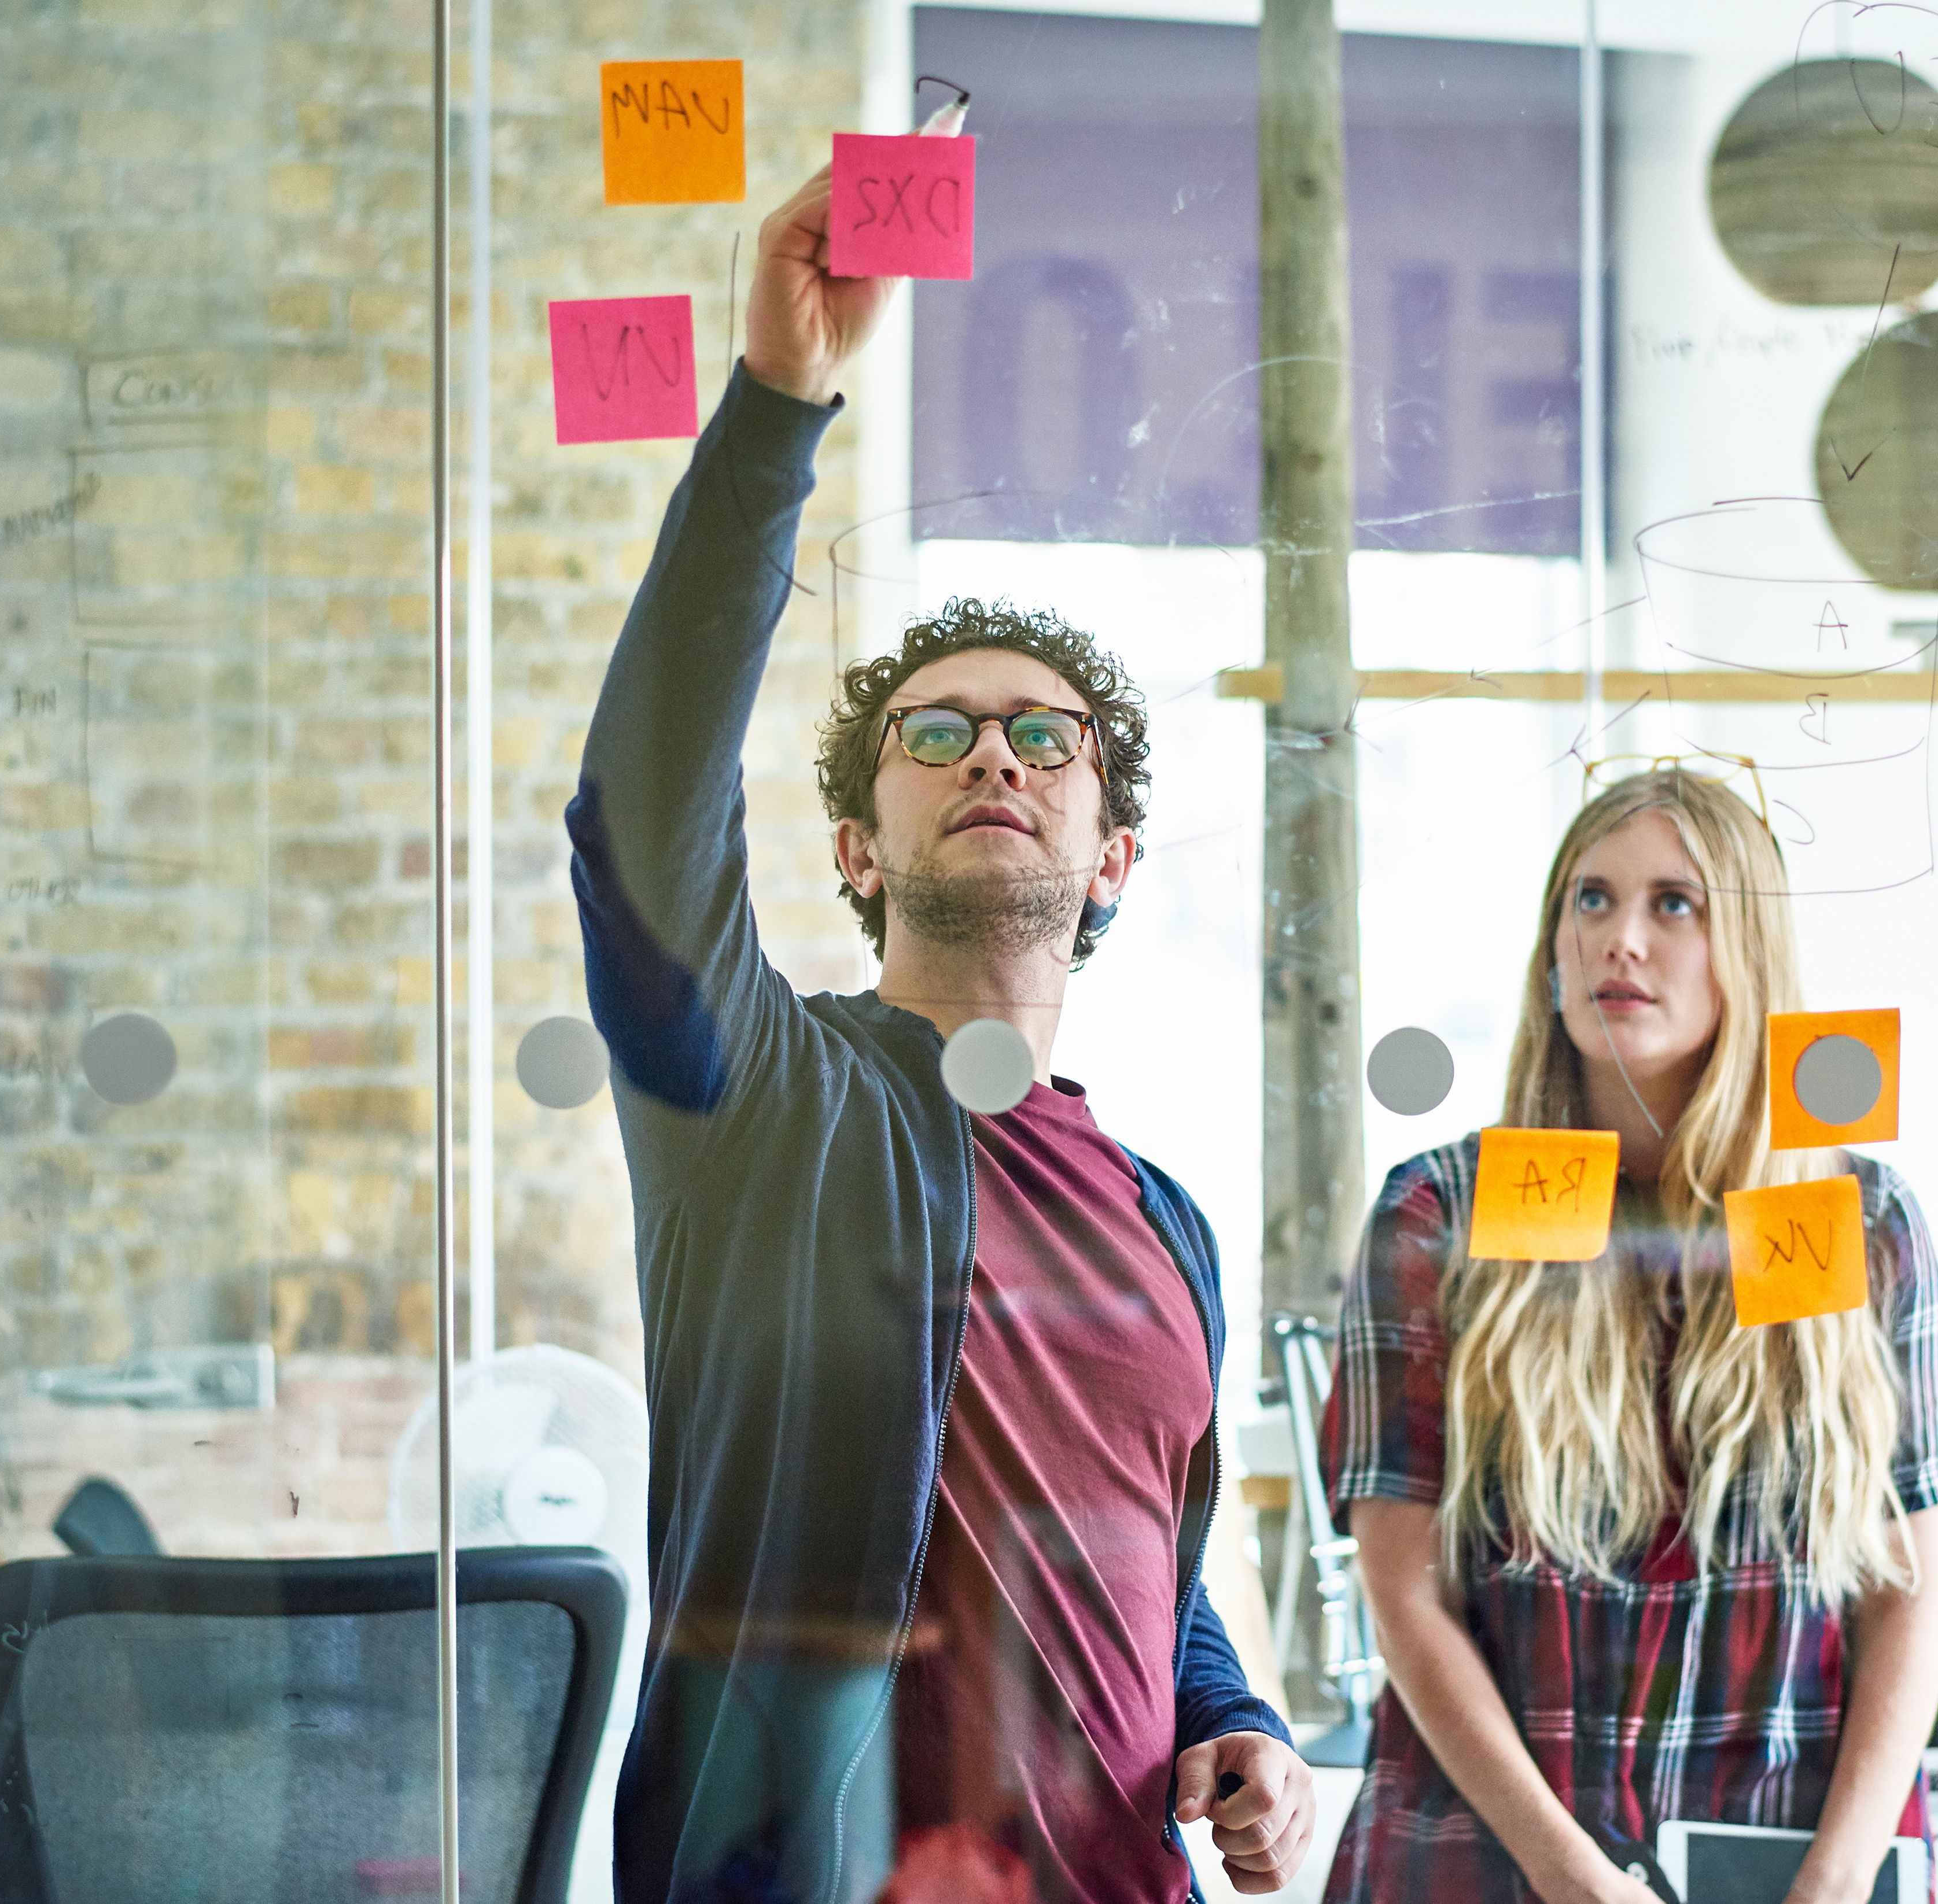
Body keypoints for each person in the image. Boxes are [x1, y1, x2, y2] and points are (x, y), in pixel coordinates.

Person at [570, 158, 1314, 1904]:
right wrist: (774, 409)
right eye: (940, 733)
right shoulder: (757, 1105)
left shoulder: (1164, 1221)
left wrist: (1242, 1718)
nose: (997, 754)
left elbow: (1139, 1559)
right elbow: (640, 817)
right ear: (854, 845)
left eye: (1049, 741)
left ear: (1112, 853)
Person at [1318, 766, 1938, 1904]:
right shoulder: (1442, 1211)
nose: (1620, 938)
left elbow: (1906, 1588)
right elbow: (1406, 1592)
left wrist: (1836, 1873)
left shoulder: (1852, 1214)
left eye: (1674, 903)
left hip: (1787, 1855)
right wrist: (1567, 1873)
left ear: (1750, 954)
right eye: (1589, 899)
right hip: (1487, 1862)